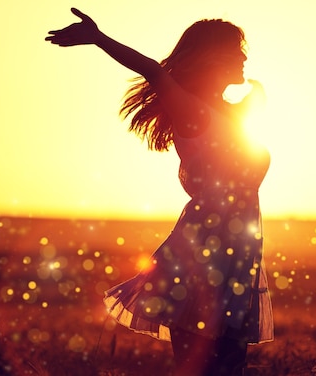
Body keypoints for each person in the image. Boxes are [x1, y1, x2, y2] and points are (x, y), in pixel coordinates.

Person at [46, 8, 273, 375]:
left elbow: (239, 132)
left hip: (236, 258)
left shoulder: (230, 115)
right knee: (206, 366)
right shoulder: (191, 110)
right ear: (210, 56)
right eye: (235, 50)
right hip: (203, 257)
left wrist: (254, 99)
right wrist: (99, 38)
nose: (244, 57)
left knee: (228, 366)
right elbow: (153, 70)